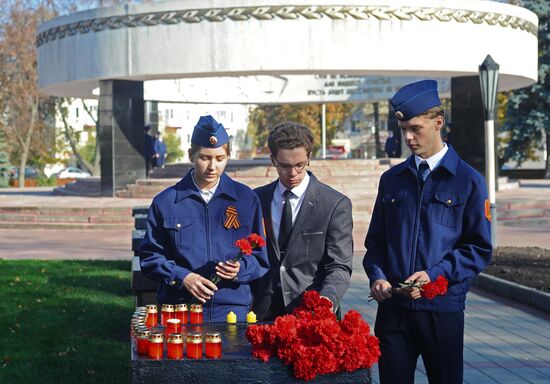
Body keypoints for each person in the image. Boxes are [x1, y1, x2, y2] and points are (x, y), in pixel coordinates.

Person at [363, 80, 492, 384]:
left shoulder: (468, 181)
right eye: (403, 129)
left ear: (438, 123)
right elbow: (376, 242)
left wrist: (434, 275)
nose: (408, 137)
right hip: (394, 309)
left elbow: (478, 249)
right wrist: (378, 276)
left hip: (442, 309)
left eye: (415, 128)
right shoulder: (392, 180)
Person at [140, 115, 269, 322]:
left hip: (232, 310)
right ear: (191, 155)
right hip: (180, 310)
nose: (212, 167)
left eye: (220, 158)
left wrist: (240, 269)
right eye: (205, 157)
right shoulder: (166, 202)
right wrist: (183, 277)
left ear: (228, 156)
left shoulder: (245, 199)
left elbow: (260, 257)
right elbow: (150, 258)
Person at [252, 122, 353, 320]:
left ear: (309, 158)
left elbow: (339, 265)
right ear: (273, 160)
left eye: (300, 165)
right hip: (263, 311)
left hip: (311, 312)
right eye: (285, 166)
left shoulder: (334, 204)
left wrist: (327, 300)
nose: (293, 174)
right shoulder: (257, 199)